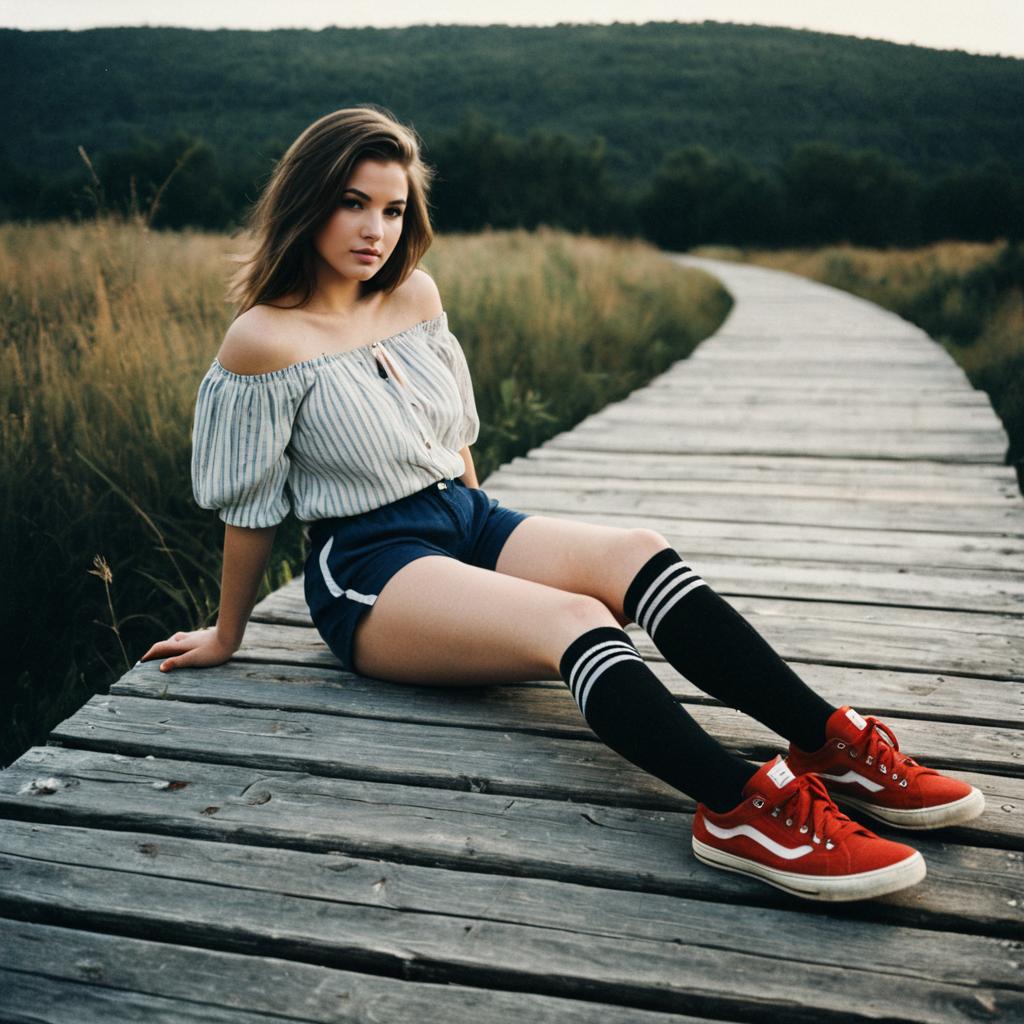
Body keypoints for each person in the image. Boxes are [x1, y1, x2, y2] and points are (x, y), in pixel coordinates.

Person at [140, 105, 985, 903]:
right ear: (308, 202)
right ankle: (742, 810)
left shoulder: (414, 298)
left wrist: (485, 537)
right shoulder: (263, 340)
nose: (375, 230)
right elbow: (247, 506)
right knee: (573, 620)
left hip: (462, 516)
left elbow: (454, 433)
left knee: (636, 551)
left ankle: (825, 743)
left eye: (394, 210)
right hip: (368, 567)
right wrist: (228, 633)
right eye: (352, 203)